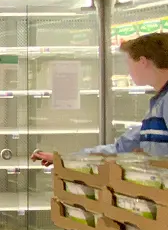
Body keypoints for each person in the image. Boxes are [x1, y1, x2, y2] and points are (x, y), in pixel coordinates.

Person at [32, 32, 168, 167]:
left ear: (143, 62)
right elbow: (122, 147)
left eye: (129, 63)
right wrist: (64, 159)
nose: (128, 71)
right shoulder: (158, 104)